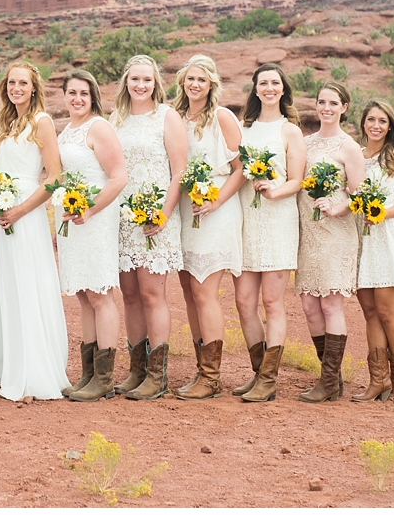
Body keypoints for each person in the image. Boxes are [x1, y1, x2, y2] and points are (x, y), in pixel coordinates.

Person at [0, 60, 71, 401]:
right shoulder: (6, 121)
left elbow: (56, 177)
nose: (16, 88)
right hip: (3, 217)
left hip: (25, 215)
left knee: (29, 285)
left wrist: (20, 210)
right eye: (12, 82)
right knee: (7, 287)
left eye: (23, 83)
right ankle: (5, 366)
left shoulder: (42, 122)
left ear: (33, 88)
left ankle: (33, 372)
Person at [108, 56, 189, 400]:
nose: (141, 85)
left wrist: (164, 214)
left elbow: (180, 172)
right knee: (128, 294)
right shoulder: (117, 118)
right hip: (124, 218)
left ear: (156, 83)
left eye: (147, 80)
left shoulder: (166, 117)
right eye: (135, 79)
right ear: (126, 81)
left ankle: (158, 376)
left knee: (152, 293)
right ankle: (136, 370)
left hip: (157, 217)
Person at [172, 55, 247, 400]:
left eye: (202, 79)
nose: (195, 85)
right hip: (187, 209)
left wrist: (215, 201)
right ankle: (201, 370)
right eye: (190, 79)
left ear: (211, 83)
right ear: (183, 82)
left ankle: (212, 377)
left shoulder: (222, 117)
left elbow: (240, 169)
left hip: (216, 209)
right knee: (189, 292)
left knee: (205, 291)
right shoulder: (175, 117)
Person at [56, 68, 131, 401]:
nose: (77, 99)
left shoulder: (99, 127)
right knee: (84, 295)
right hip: (72, 221)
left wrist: (89, 209)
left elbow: (118, 177)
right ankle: (87, 374)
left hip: (95, 218)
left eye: (83, 93)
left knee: (100, 294)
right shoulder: (66, 131)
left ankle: (104, 378)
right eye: (71, 92)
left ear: (93, 97)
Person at [234, 63, 304, 401]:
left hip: (277, 219)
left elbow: (297, 180)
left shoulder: (289, 130)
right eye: (263, 83)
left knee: (272, 302)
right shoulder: (243, 128)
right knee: (244, 302)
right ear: (255, 88)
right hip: (247, 219)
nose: (269, 88)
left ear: (283, 89)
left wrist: (275, 191)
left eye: (275, 83)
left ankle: (269, 380)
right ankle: (258, 372)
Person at [296, 83, 367, 402]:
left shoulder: (349, 147)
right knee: (310, 306)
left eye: (333, 102)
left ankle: (327, 382)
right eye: (322, 102)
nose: (326, 107)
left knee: (330, 303)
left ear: (344, 107)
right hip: (308, 234)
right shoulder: (305, 143)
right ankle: (332, 378)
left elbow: (360, 194)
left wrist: (337, 208)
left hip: (336, 233)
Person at [351, 99, 394, 401]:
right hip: (361, 239)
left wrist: (382, 213)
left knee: (388, 312)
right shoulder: (356, 155)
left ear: (390, 125)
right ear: (363, 122)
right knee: (370, 313)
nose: (375, 126)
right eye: (371, 120)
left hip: (387, 236)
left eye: (382, 121)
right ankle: (378, 381)